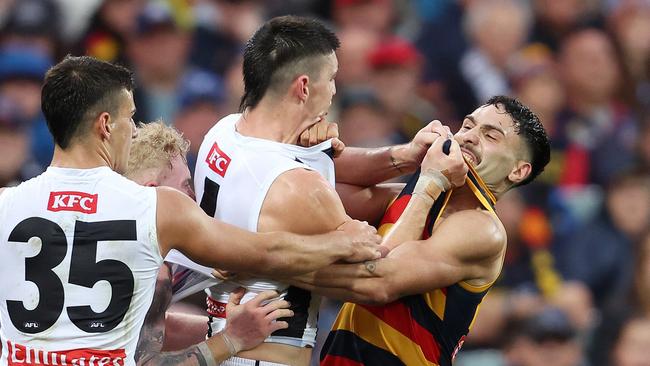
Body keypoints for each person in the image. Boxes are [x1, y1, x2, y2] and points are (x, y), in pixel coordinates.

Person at [0, 55, 382, 366]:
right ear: (105, 124)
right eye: (130, 117)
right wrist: (341, 243)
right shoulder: (154, 208)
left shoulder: (5, 206)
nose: (133, 130)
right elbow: (266, 252)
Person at [187, 15, 447, 366]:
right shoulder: (298, 186)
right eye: (332, 78)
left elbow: (319, 168)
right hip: (268, 356)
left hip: (229, 341)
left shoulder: (225, 133)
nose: (336, 89)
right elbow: (378, 275)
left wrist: (402, 156)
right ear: (304, 87)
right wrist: (430, 184)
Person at [285, 96, 551, 365]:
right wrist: (407, 155)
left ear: (518, 171)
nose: (469, 137)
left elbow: (376, 283)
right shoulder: (417, 195)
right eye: (468, 126)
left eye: (491, 136)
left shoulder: (483, 229)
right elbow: (317, 183)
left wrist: (269, 262)